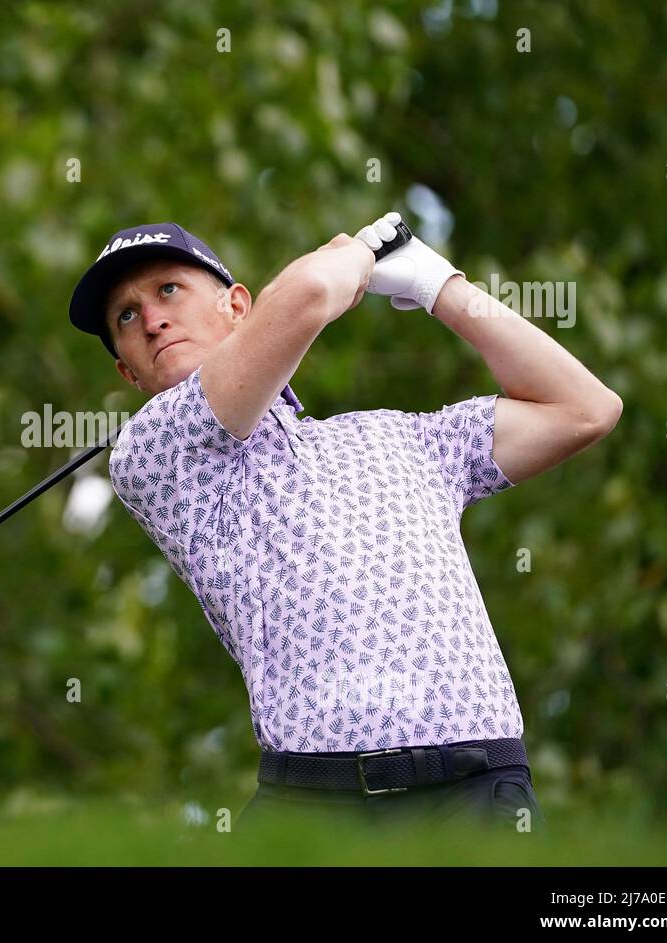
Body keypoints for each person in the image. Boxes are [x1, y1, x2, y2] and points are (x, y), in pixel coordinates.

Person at [67, 214, 622, 833]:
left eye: (168, 289)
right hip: (316, 808)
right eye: (125, 315)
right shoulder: (151, 452)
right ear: (128, 373)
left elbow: (585, 409)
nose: (151, 319)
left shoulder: (400, 437)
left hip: (477, 797)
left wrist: (440, 287)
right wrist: (353, 252)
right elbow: (307, 297)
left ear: (238, 307)